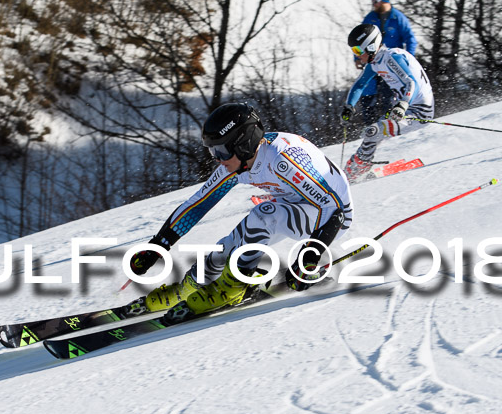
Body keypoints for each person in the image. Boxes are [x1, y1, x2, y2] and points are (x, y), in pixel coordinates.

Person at [121, 103, 354, 325]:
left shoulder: (282, 159)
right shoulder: (238, 163)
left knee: (263, 214)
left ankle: (234, 286)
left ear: (243, 143)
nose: (217, 159)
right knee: (224, 250)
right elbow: (198, 205)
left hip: (328, 217)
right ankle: (187, 290)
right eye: (213, 151)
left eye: (221, 151)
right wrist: (158, 245)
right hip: (295, 203)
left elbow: (334, 209)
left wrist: (309, 258)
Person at [341, 23, 434, 182]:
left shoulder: (392, 57)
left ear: (370, 46)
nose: (357, 56)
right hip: (405, 108)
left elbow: (411, 83)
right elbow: (360, 84)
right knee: (374, 132)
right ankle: (359, 164)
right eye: (353, 51)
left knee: (373, 132)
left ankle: (357, 169)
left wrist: (403, 104)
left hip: (419, 112)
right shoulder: (376, 62)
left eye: (357, 50)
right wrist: (349, 106)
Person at [355, 0, 418, 125]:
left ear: (385, 0)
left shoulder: (398, 18)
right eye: (373, 1)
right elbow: (359, 38)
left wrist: (408, 58)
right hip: (373, 61)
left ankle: (391, 123)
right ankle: (369, 126)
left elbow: (410, 39)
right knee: (367, 93)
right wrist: (357, 58)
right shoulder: (370, 18)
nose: (374, 4)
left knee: (388, 95)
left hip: (391, 63)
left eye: (376, 1)